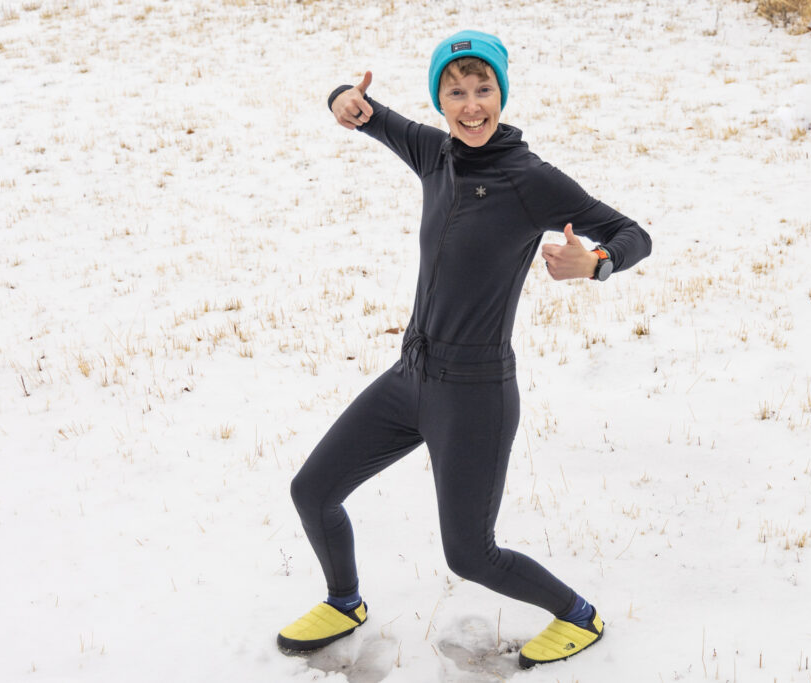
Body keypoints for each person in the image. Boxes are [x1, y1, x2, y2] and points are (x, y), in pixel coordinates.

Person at [277, 30, 652, 669]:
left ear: (501, 95)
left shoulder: (528, 178)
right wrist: (341, 97)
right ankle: (345, 603)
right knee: (312, 491)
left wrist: (597, 264)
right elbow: (361, 111)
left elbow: (631, 232)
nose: (471, 105)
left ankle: (578, 616)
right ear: (440, 99)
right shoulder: (434, 154)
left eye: (484, 90)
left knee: (470, 555)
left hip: (475, 395)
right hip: (411, 377)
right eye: (456, 92)